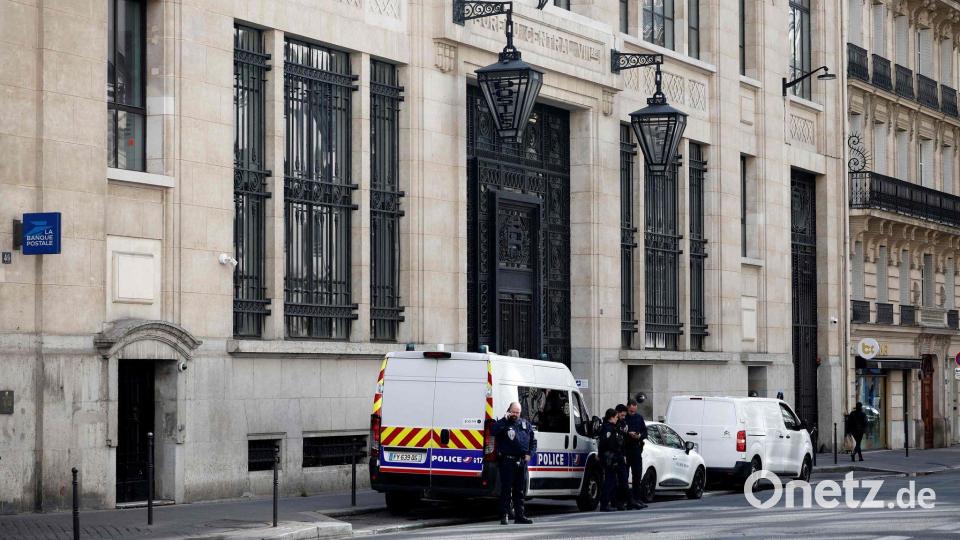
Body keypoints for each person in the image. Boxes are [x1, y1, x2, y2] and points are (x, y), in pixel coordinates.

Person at [491, 402, 537, 525]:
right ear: (509, 411)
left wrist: (529, 454)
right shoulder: (503, 423)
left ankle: (520, 516)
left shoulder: (525, 424)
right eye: (513, 412)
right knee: (506, 489)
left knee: (519, 490)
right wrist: (503, 420)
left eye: (518, 412)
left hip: (521, 461)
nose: (515, 414)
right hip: (507, 461)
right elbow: (493, 431)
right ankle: (504, 515)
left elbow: (533, 441)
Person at [597, 408, 642, 512]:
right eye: (617, 417)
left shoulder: (615, 427)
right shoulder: (607, 428)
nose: (618, 419)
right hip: (612, 458)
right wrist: (602, 455)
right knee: (610, 481)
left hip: (618, 456)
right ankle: (605, 504)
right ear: (612, 417)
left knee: (623, 480)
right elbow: (604, 444)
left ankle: (629, 501)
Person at [624, 399, 648, 509]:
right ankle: (625, 500)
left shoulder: (639, 418)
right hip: (626, 449)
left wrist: (639, 436)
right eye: (631, 411)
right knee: (624, 476)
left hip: (636, 449)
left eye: (634, 410)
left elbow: (645, 432)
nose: (632, 413)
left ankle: (637, 499)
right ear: (628, 407)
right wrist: (628, 434)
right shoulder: (624, 418)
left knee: (637, 475)